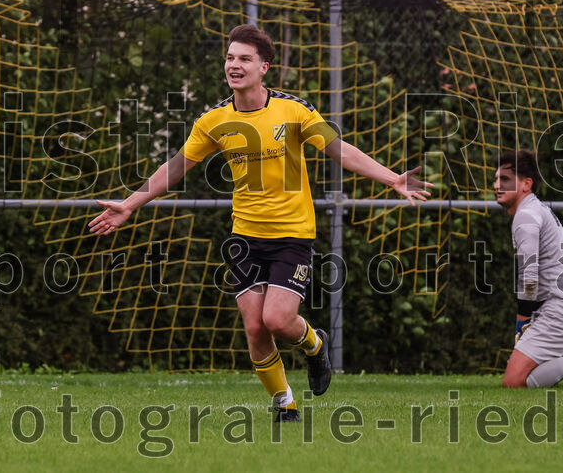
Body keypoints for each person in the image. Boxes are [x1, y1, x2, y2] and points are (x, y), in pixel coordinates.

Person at [89, 24, 432, 422]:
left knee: (277, 320)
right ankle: (284, 403)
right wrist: (131, 203)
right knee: (255, 328)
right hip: (245, 237)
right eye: (230, 57)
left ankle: (315, 345)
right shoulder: (213, 120)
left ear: (263, 67)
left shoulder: (292, 110)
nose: (234, 65)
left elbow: (340, 150)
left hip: (292, 235)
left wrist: (392, 178)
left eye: (244, 59)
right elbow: (177, 167)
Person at [494, 150, 563, 389]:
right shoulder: (535, 209)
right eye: (495, 179)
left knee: (514, 382)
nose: (496, 185)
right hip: (561, 307)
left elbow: (529, 275)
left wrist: (522, 320)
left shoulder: (526, 215)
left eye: (504, 179)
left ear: (527, 184)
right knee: (522, 376)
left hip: (561, 310)